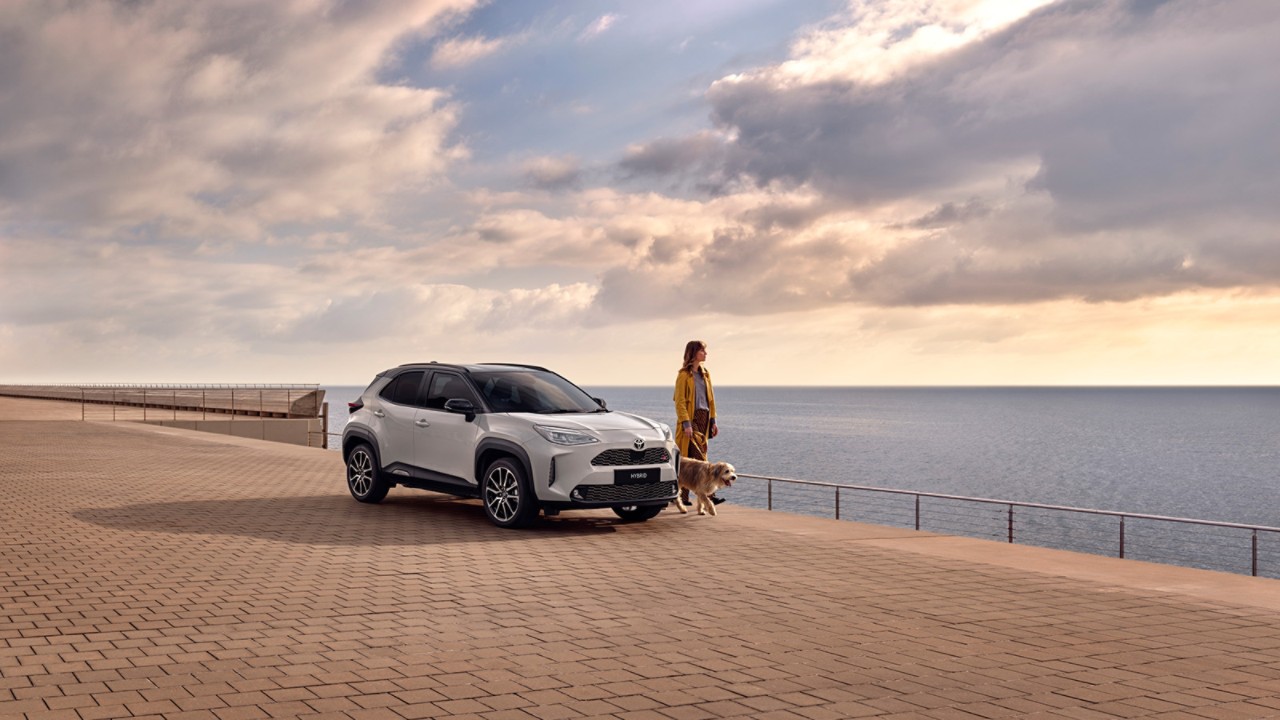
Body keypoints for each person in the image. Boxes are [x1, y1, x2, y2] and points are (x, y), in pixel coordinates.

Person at [673, 339, 724, 506]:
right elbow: (680, 401)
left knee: (699, 457)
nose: (706, 354)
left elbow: (711, 400)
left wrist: (713, 421)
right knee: (690, 458)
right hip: (691, 419)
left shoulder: (706, 374)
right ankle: (693, 496)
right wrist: (686, 423)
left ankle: (700, 495)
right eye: (702, 351)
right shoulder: (683, 375)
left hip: (704, 419)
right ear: (694, 353)